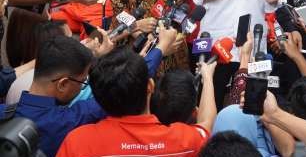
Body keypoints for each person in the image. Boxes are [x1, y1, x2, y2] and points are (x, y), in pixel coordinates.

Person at [57, 47, 217, 157]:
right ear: (150, 86)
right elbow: (206, 123)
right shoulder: (184, 141)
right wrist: (208, 77)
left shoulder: (77, 142)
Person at [0, 36, 108, 157]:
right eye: (83, 82)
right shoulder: (68, 121)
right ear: (63, 84)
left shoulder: (3, 112)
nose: (82, 87)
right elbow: (112, 96)